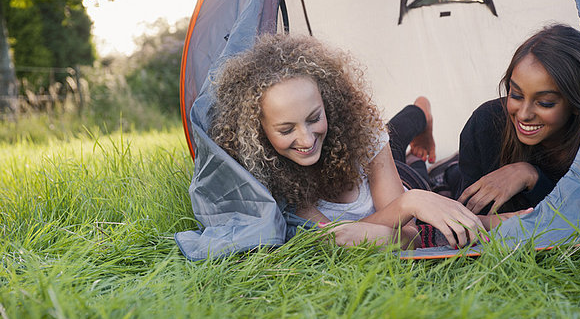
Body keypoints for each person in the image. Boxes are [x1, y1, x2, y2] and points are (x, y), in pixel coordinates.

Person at [209, 34, 511, 249]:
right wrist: (412, 202)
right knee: (423, 170)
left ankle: (422, 111)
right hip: (409, 197)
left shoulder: (360, 133)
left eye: (314, 118)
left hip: (392, 177)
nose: (305, 138)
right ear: (257, 130)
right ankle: (423, 155)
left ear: (328, 103)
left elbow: (390, 233)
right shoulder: (276, 182)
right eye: (286, 129)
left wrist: (408, 201)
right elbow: (407, 237)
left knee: (394, 138)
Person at [455, 24, 580, 215]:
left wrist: (532, 177)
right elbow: (468, 219)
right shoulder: (486, 124)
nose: (523, 114)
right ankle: (421, 112)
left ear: (576, 103)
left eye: (545, 103)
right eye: (516, 95)